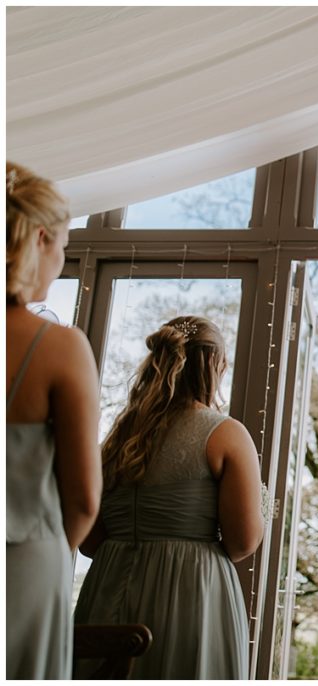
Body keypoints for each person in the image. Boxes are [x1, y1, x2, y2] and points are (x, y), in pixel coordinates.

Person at [73, 316, 264, 679]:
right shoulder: (225, 434)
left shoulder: (116, 439)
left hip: (109, 586)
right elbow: (243, 541)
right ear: (216, 365)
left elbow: (90, 541)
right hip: (191, 593)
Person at [6, 162, 102, 679]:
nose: (61, 261)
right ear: (40, 239)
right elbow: (85, 500)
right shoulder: (59, 348)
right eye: (63, 245)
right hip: (23, 571)